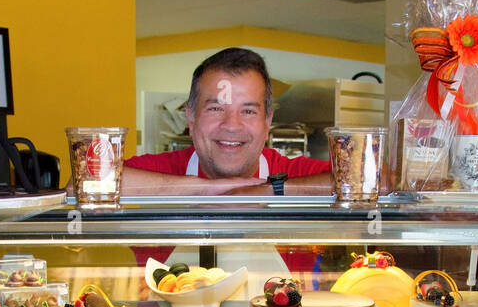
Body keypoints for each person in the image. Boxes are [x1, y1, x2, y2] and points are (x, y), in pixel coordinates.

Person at [122, 48, 332, 196]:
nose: (231, 125)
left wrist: (267, 191)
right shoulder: (158, 171)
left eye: (248, 111)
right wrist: (202, 190)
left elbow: (361, 185)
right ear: (191, 117)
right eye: (216, 109)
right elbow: (92, 180)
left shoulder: (299, 175)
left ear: (268, 121)